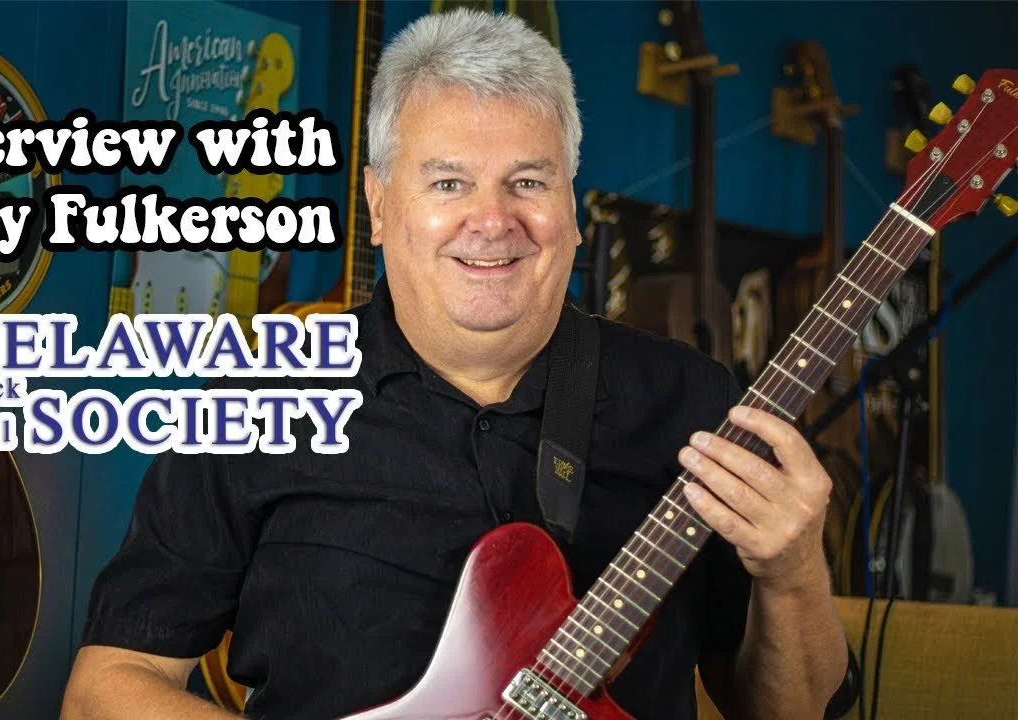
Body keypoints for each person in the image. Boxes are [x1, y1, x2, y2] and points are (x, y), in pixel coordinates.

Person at [60, 9, 848, 719]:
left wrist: (793, 570)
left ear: (573, 210)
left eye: (528, 182)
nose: (492, 221)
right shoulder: (263, 393)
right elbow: (109, 685)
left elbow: (783, 710)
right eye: (448, 182)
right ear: (378, 205)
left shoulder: (689, 402)